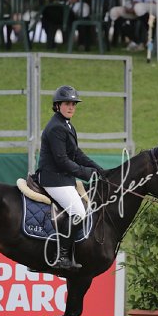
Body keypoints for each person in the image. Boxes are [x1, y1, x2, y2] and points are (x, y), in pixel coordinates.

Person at [36, 85, 105, 272]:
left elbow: (77, 154)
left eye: (74, 104)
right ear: (57, 105)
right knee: (79, 212)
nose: (71, 107)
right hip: (53, 179)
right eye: (67, 104)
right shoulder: (56, 128)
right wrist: (87, 173)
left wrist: (98, 169)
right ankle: (62, 256)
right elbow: (62, 161)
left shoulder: (66, 125)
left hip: (62, 178)